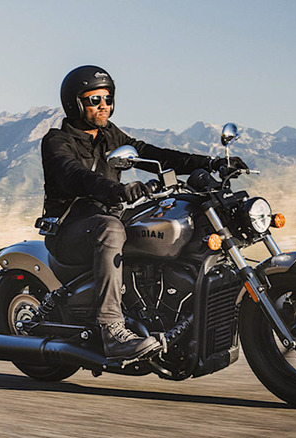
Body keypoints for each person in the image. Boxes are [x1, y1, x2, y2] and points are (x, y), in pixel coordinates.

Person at [40, 65, 248, 361]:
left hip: (110, 219)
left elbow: (154, 154)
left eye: (107, 98)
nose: (104, 106)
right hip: (70, 229)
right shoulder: (56, 141)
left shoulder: (110, 135)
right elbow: (74, 174)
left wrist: (211, 163)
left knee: (175, 217)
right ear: (75, 103)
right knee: (110, 229)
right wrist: (116, 190)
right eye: (94, 99)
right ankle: (111, 330)